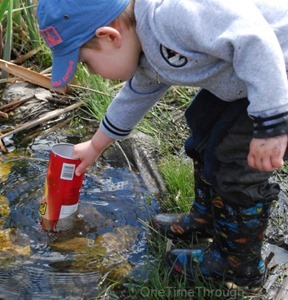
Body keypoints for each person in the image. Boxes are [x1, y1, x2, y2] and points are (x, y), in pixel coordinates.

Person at [37, 0, 288, 289]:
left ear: (111, 36)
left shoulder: (171, 16)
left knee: (233, 158)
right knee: (203, 126)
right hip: (247, 78)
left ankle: (237, 265)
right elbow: (136, 94)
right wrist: (95, 145)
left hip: (276, 78)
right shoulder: (144, 46)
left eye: (86, 63)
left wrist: (271, 122)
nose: (91, 73)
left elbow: (255, 39)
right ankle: (207, 217)